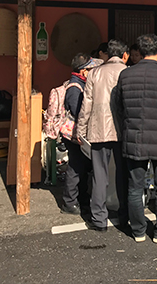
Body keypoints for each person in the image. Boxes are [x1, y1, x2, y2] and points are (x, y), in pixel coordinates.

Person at [115, 34, 157, 243]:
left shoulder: (125, 75)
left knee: (135, 187)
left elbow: (119, 108)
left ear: (140, 52)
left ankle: (138, 231)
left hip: (134, 137)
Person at [77, 40, 129, 231]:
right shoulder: (127, 71)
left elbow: (86, 104)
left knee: (100, 175)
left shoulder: (95, 73)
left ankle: (99, 218)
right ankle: (124, 215)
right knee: (122, 175)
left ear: (106, 54)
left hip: (98, 129)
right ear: (124, 55)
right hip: (122, 130)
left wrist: (81, 129)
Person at [61, 53, 102, 216]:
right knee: (75, 167)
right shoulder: (75, 88)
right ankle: (69, 202)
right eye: (91, 68)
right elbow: (79, 113)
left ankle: (82, 198)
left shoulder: (79, 84)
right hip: (75, 134)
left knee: (82, 167)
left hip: (79, 133)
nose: (93, 71)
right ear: (83, 71)